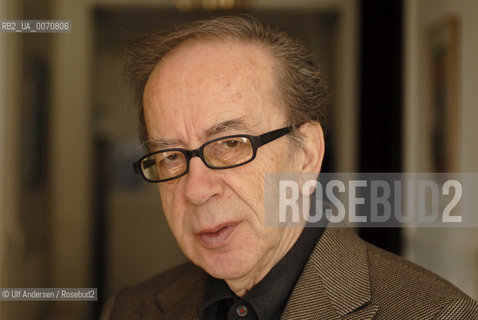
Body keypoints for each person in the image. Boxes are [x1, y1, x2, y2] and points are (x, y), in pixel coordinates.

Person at [101, 15, 478, 319]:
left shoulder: (438, 314)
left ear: (307, 155)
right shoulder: (131, 309)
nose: (197, 190)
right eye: (170, 156)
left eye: (231, 144)